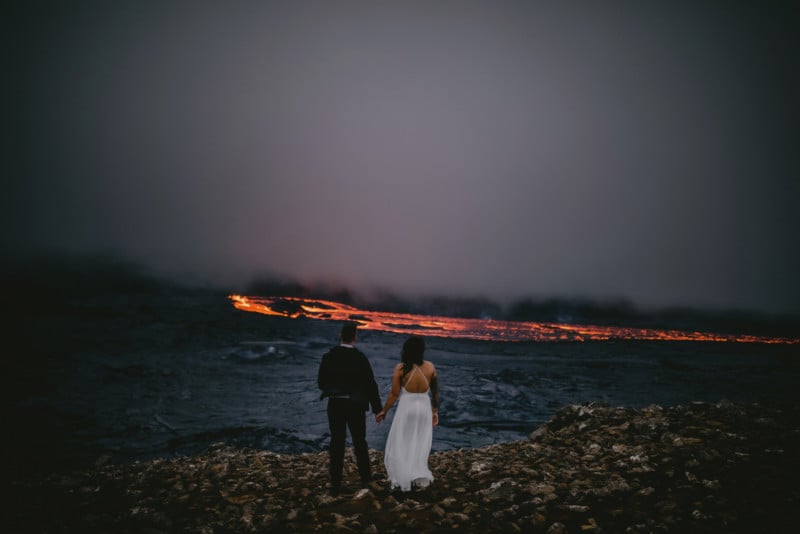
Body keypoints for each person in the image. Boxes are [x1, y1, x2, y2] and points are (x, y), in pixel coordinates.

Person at [318, 322, 382, 496]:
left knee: (336, 442)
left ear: (341, 335)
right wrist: (378, 409)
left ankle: (336, 484)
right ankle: (366, 479)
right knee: (359, 441)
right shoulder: (360, 358)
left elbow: (321, 383)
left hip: (335, 404)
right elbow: (370, 384)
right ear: (355, 337)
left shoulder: (329, 356)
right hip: (355, 405)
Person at [376, 335, 439, 492]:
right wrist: (435, 411)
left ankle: (403, 477)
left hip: (407, 408)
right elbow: (436, 393)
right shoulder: (430, 367)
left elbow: (394, 394)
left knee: (403, 441)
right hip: (424, 409)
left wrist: (384, 411)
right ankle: (417, 475)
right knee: (419, 442)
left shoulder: (400, 368)